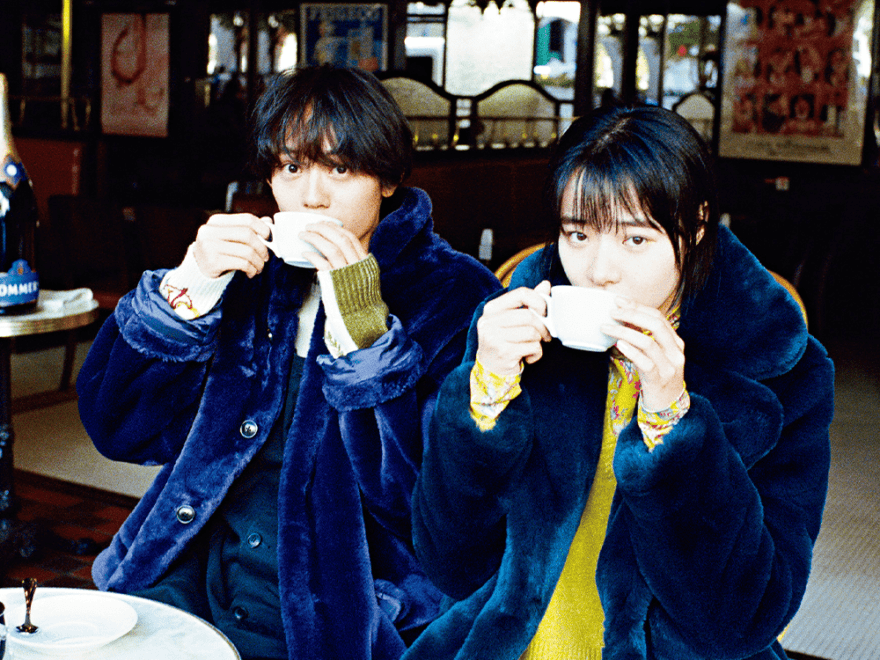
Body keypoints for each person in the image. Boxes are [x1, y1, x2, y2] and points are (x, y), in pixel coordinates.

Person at [76, 65, 501, 660]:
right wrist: (188, 290)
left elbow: (442, 515)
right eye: (292, 167)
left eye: (340, 168)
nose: (312, 196)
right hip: (193, 576)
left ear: (388, 178)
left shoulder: (455, 294)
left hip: (347, 610)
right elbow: (118, 430)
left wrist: (366, 334)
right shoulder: (248, 275)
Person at [404, 104, 834, 660]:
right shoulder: (516, 328)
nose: (599, 270)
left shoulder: (783, 371)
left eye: (634, 240)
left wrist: (673, 425)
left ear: (696, 226)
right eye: (578, 234)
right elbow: (449, 563)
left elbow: (743, 621)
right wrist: (484, 398)